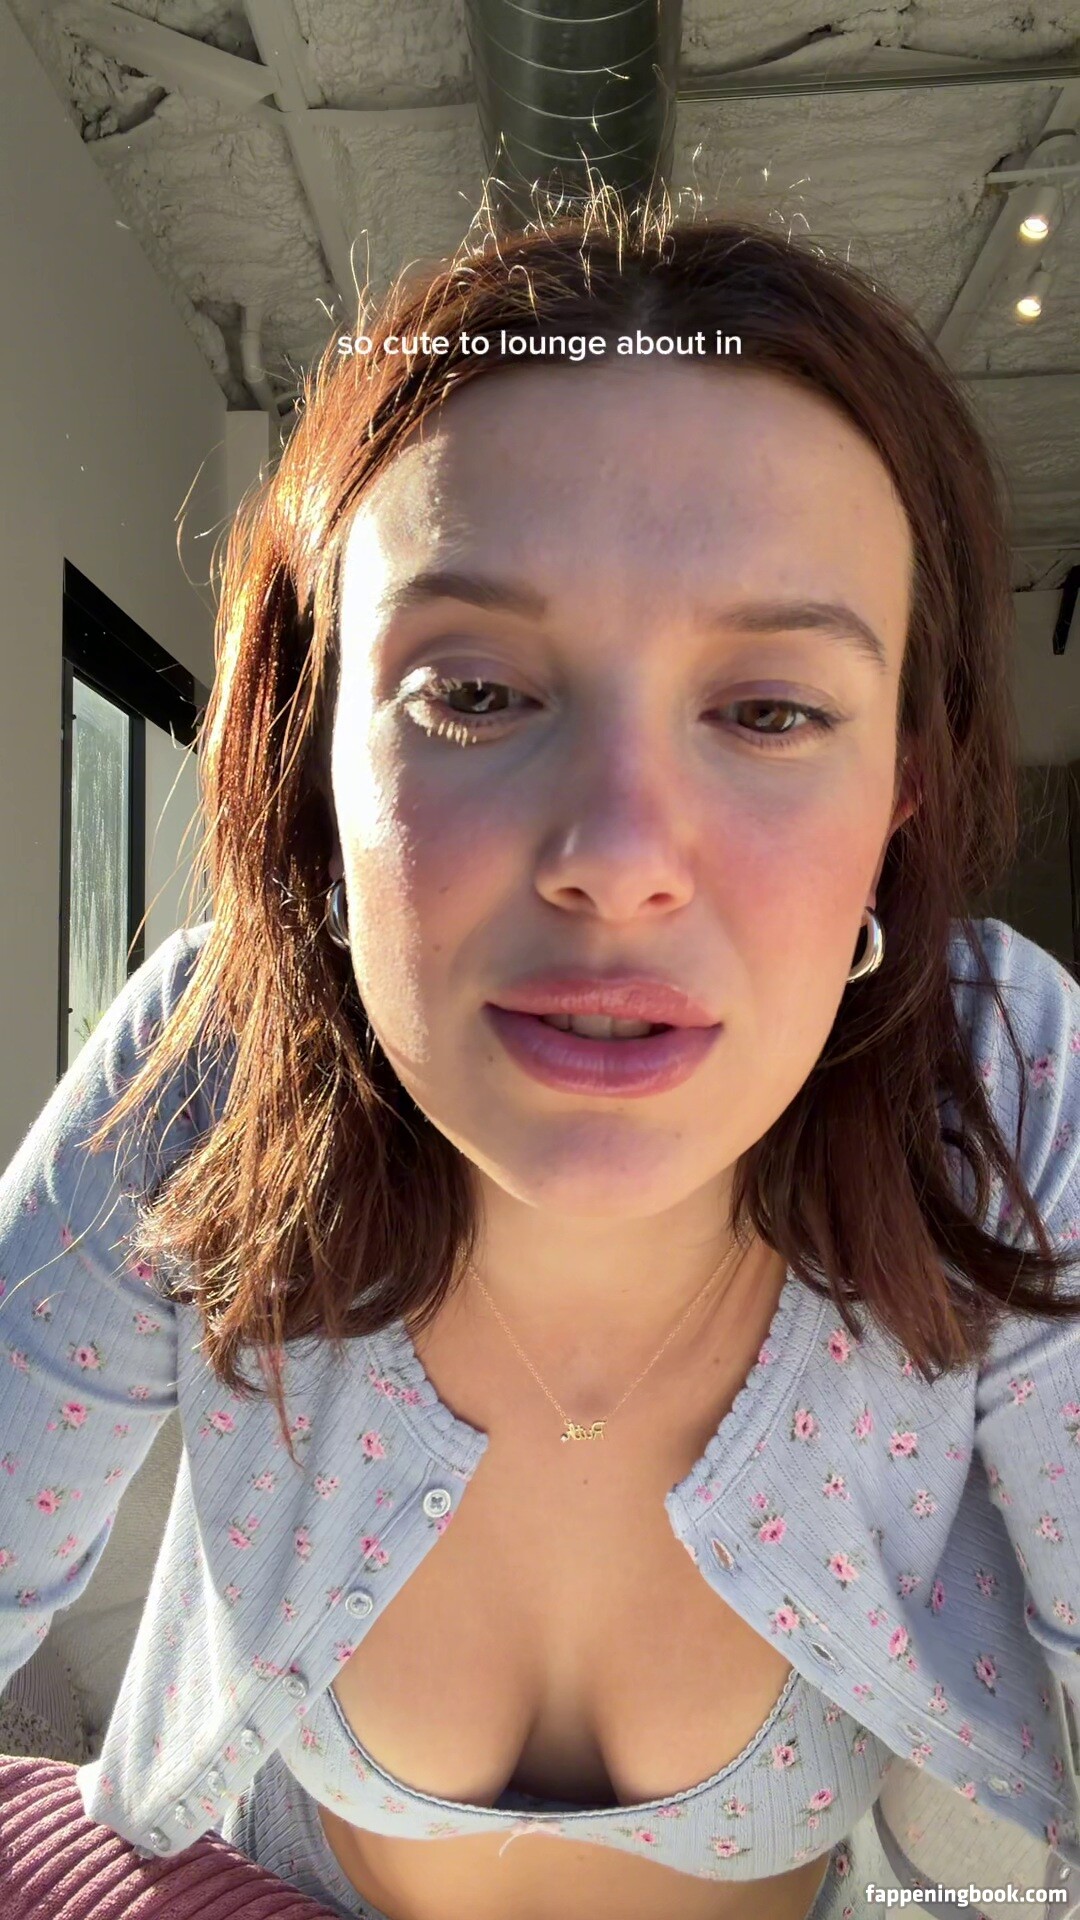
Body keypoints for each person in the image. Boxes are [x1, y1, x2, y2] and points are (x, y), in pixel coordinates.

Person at [2, 187, 1080, 1920]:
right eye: (478, 693)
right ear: (311, 759)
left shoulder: (996, 1086)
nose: (617, 854)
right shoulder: (216, 1069)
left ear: (903, 790)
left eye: (771, 709)